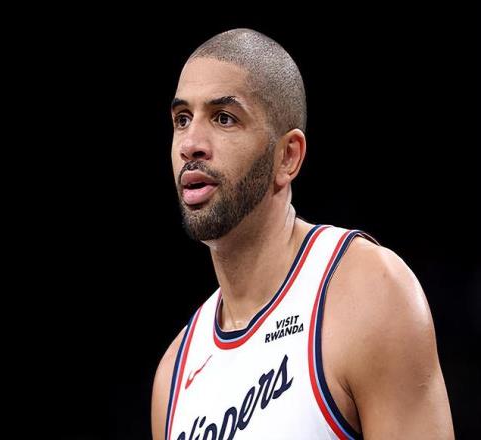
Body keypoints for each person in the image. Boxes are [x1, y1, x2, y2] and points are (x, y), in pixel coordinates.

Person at [151, 28, 454, 440]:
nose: (191, 144)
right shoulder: (174, 376)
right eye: (182, 119)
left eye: (224, 118)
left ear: (287, 157)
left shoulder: (367, 292)